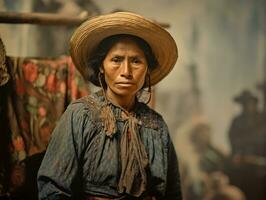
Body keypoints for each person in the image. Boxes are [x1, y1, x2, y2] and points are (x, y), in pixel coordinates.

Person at [37, 12, 182, 200]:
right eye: (116, 59)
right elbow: (52, 189)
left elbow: (173, 193)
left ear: (147, 68)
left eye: (136, 61)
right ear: (101, 66)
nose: (126, 72)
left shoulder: (157, 125)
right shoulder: (81, 115)